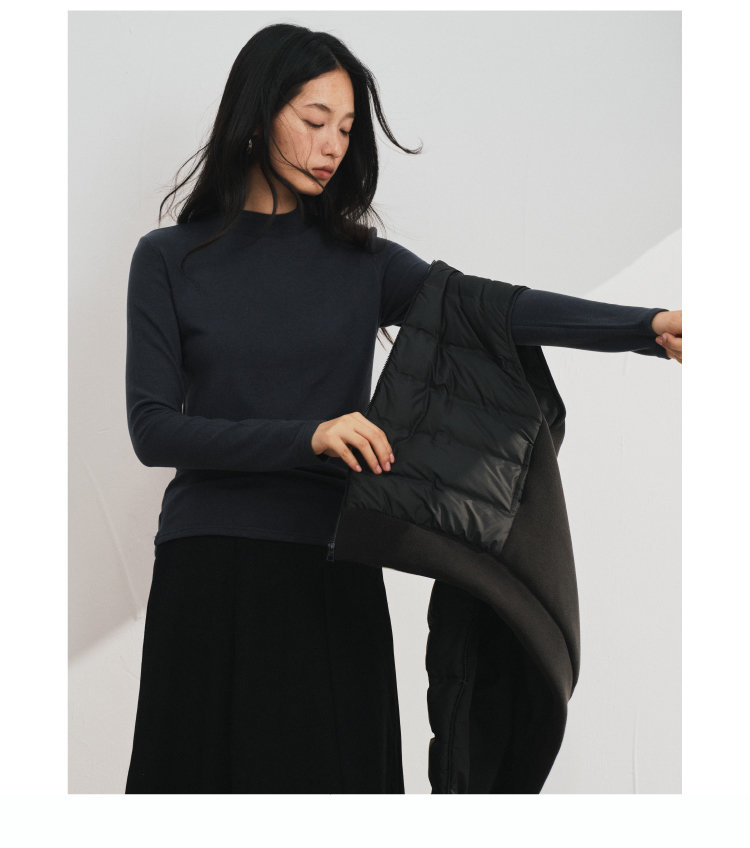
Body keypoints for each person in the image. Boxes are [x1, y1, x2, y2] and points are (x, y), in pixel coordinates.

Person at [124, 23, 682, 794]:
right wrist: (310, 436)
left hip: (328, 569)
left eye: (346, 129)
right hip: (209, 570)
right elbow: (154, 429)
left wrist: (645, 327)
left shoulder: (362, 264)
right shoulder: (168, 259)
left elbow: (490, 309)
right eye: (315, 121)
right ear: (256, 118)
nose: (332, 146)